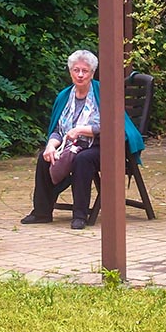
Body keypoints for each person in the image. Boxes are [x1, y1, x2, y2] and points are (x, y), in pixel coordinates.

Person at [20, 50, 145, 230]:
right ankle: (41, 212)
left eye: (84, 71)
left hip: (104, 146)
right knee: (44, 157)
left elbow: (113, 127)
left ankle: (80, 215)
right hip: (71, 146)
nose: (80, 75)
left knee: (82, 159)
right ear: (70, 71)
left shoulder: (103, 93)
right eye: (76, 70)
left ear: (92, 73)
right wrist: (50, 146)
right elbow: (58, 130)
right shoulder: (64, 96)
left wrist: (81, 130)